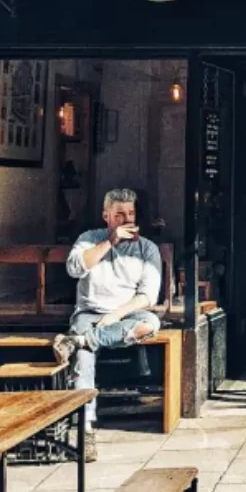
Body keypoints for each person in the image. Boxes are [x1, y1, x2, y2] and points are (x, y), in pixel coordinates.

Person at [53, 188, 163, 461]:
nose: (127, 219)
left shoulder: (147, 248)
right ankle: (84, 428)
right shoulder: (89, 239)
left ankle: (80, 339)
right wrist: (109, 243)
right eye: (119, 214)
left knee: (150, 324)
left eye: (131, 213)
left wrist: (115, 316)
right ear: (106, 216)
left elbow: (148, 296)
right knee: (83, 357)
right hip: (90, 313)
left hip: (124, 316)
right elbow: (74, 268)